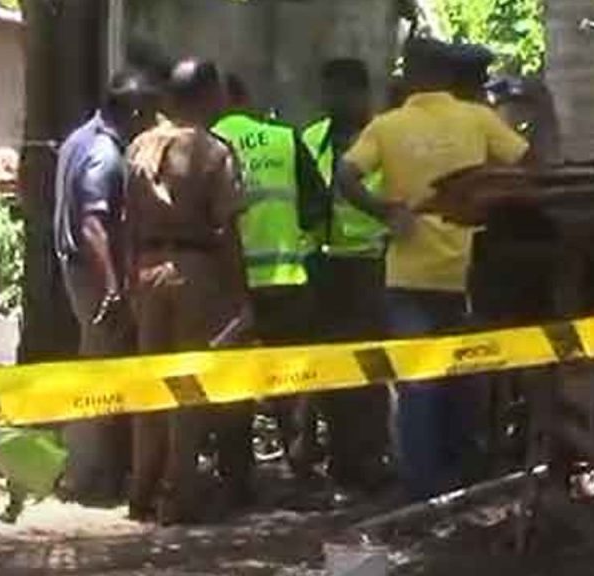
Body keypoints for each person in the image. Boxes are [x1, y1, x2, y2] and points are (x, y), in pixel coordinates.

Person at [334, 38, 533, 500]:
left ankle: (422, 485)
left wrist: (385, 211)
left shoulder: (387, 126)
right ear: (448, 76)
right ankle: (464, 476)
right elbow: (529, 164)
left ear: (408, 75)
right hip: (468, 270)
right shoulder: (478, 119)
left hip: (407, 274)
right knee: (468, 376)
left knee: (418, 383)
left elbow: (345, 175)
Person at [125, 58, 255, 524]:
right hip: (194, 270)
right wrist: (240, 294)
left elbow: (127, 220)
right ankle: (177, 493)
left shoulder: (139, 146)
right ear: (207, 97)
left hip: (146, 268)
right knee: (187, 386)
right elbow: (226, 228)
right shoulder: (213, 151)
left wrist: (130, 277)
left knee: (150, 384)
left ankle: (141, 489)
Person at [213, 75, 329, 483]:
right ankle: (300, 472)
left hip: (227, 289)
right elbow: (317, 209)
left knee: (231, 384)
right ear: (246, 98)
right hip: (285, 278)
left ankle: (235, 478)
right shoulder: (284, 139)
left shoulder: (206, 143)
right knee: (292, 380)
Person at [53, 68, 159, 505]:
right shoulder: (105, 153)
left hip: (79, 269)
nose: (151, 122)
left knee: (95, 366)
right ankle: (88, 478)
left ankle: (88, 472)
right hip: (95, 275)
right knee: (103, 374)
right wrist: (114, 289)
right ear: (133, 111)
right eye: (147, 112)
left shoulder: (79, 138)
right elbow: (93, 225)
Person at [302, 58, 390, 495]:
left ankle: (371, 458)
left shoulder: (384, 138)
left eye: (341, 93)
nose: (332, 101)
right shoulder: (312, 138)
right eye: (327, 92)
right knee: (331, 368)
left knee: (371, 369)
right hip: (324, 266)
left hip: (371, 263)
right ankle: (341, 457)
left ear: (360, 94)